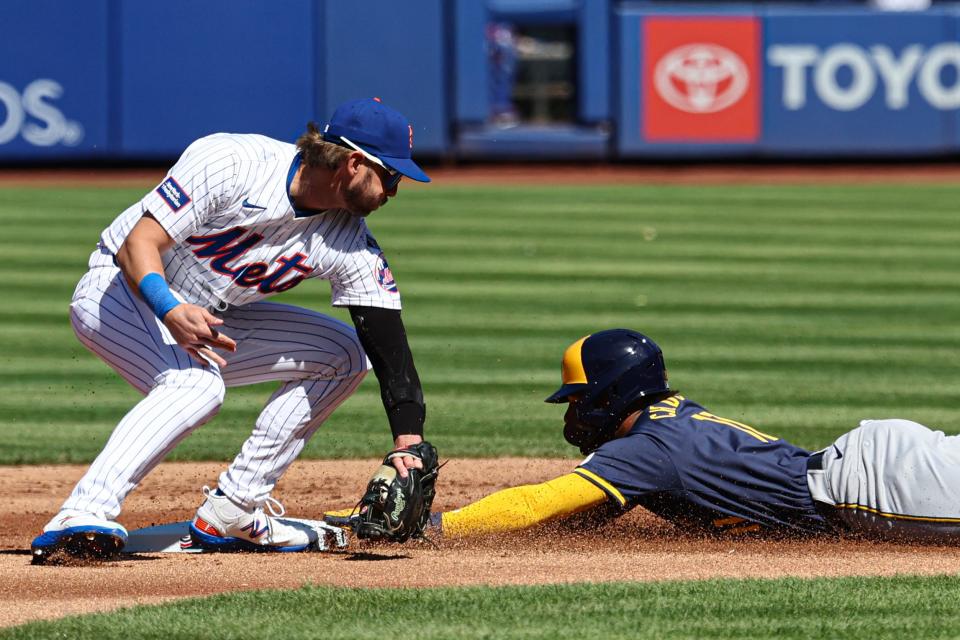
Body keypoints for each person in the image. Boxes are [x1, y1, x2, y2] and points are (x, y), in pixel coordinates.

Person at [32, 97, 433, 563]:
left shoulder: (348, 240)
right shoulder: (233, 162)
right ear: (353, 163)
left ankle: (234, 509)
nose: (394, 190)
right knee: (197, 385)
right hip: (121, 291)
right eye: (390, 176)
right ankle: (81, 514)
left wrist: (409, 441)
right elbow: (137, 243)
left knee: (343, 355)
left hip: (208, 315)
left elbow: (386, 339)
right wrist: (169, 308)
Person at [434, 329, 960, 543]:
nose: (573, 413)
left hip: (877, 488)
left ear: (612, 394)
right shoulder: (668, 418)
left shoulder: (643, 450)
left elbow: (540, 503)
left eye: (578, 398)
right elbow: (580, 513)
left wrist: (438, 528)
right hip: (871, 467)